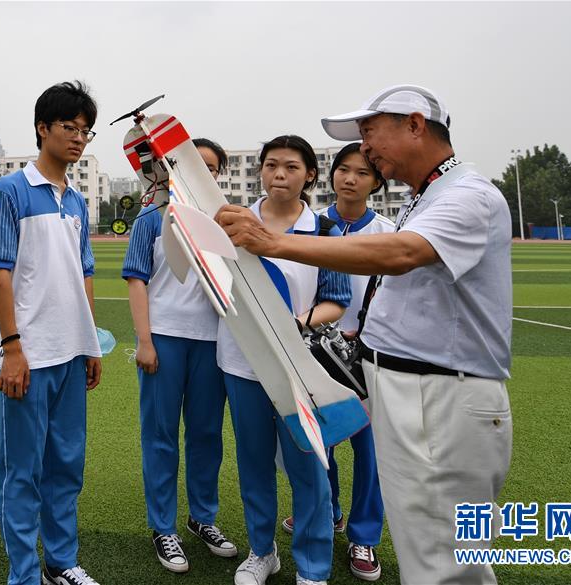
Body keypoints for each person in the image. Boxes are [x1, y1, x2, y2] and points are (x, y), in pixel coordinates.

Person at [217, 85, 513, 585]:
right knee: (425, 545)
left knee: (447, 555)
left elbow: (401, 253)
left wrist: (274, 243)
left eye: (370, 132)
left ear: (415, 125)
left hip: (442, 394)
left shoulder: (468, 195)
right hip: (411, 388)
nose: (365, 147)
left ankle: (334, 551)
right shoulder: (426, 198)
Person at [0, 81, 103, 585]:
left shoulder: (76, 200)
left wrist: (91, 343)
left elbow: (85, 271)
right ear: (42, 128)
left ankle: (61, 563)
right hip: (27, 355)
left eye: (86, 131)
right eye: (69, 127)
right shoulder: (11, 191)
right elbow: (0, 271)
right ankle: (24, 574)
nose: (78, 138)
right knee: (22, 472)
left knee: (66, 467)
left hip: (71, 353)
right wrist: (12, 348)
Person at [219, 135, 351, 585]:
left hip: (299, 369)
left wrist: (297, 323)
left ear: (309, 175)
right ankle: (262, 552)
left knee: (309, 466)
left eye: (291, 167)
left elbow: (336, 299)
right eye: (271, 165)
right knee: (254, 462)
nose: (279, 174)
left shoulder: (324, 231)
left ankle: (312, 567)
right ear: (260, 170)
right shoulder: (232, 222)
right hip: (242, 364)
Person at [121, 138, 237, 574]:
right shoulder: (152, 216)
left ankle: (202, 518)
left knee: (206, 434)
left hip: (213, 343)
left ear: (218, 175)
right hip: (164, 340)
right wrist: (144, 341)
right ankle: (163, 527)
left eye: (211, 167)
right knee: (161, 436)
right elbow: (136, 279)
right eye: (193, 164)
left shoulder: (225, 219)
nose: (201, 172)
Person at [282, 142, 393, 582]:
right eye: (343, 170)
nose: (350, 179)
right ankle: (327, 513)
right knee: (318, 443)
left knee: (369, 448)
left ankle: (364, 536)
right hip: (312, 350)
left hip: (365, 355)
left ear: (377, 182)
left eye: (362, 173)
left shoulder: (387, 232)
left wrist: (364, 333)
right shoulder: (312, 225)